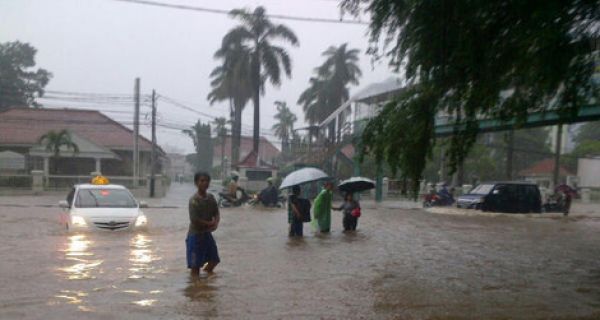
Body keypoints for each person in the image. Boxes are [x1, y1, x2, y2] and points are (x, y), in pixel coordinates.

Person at [187, 172, 220, 277]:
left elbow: (216, 212)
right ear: (196, 183)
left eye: (207, 181)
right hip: (195, 236)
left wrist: (216, 223)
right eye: (202, 181)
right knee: (195, 268)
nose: (205, 183)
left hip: (207, 234)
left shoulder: (211, 198)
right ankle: (195, 288)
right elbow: (194, 220)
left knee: (214, 260)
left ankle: (206, 282)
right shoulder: (194, 201)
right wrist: (210, 223)